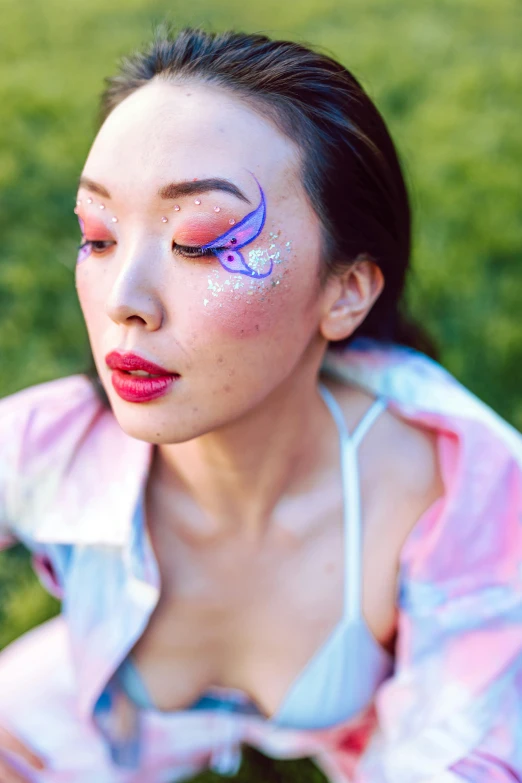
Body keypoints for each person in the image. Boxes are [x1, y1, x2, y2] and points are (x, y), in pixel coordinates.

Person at [0, 24, 521, 783]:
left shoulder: (456, 490)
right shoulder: (47, 448)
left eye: (204, 242)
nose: (125, 301)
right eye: (99, 234)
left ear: (345, 291)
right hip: (103, 718)